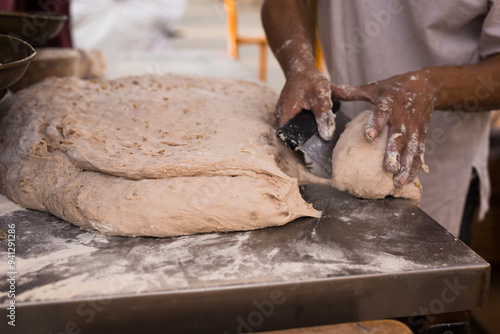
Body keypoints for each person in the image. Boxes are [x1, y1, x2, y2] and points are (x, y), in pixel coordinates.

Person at [262, 0, 500, 240]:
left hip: (445, 160)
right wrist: (298, 66)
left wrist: (433, 87)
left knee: (426, 264)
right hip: (337, 142)